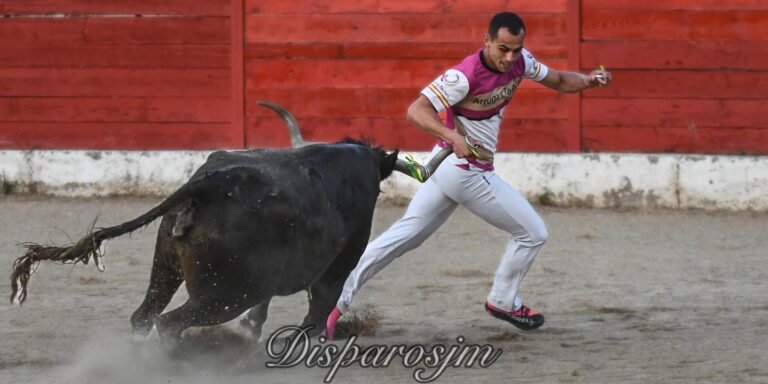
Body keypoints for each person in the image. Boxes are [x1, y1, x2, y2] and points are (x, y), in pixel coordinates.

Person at [325, 11, 612, 339]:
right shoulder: (462, 76)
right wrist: (454, 137)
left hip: (448, 168)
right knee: (533, 233)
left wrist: (587, 81)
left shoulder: (522, 62)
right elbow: (416, 110)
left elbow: (559, 80)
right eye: (502, 49)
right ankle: (502, 301)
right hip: (465, 170)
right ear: (486, 41)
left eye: (516, 50)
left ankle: (334, 302)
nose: (509, 58)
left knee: (403, 237)